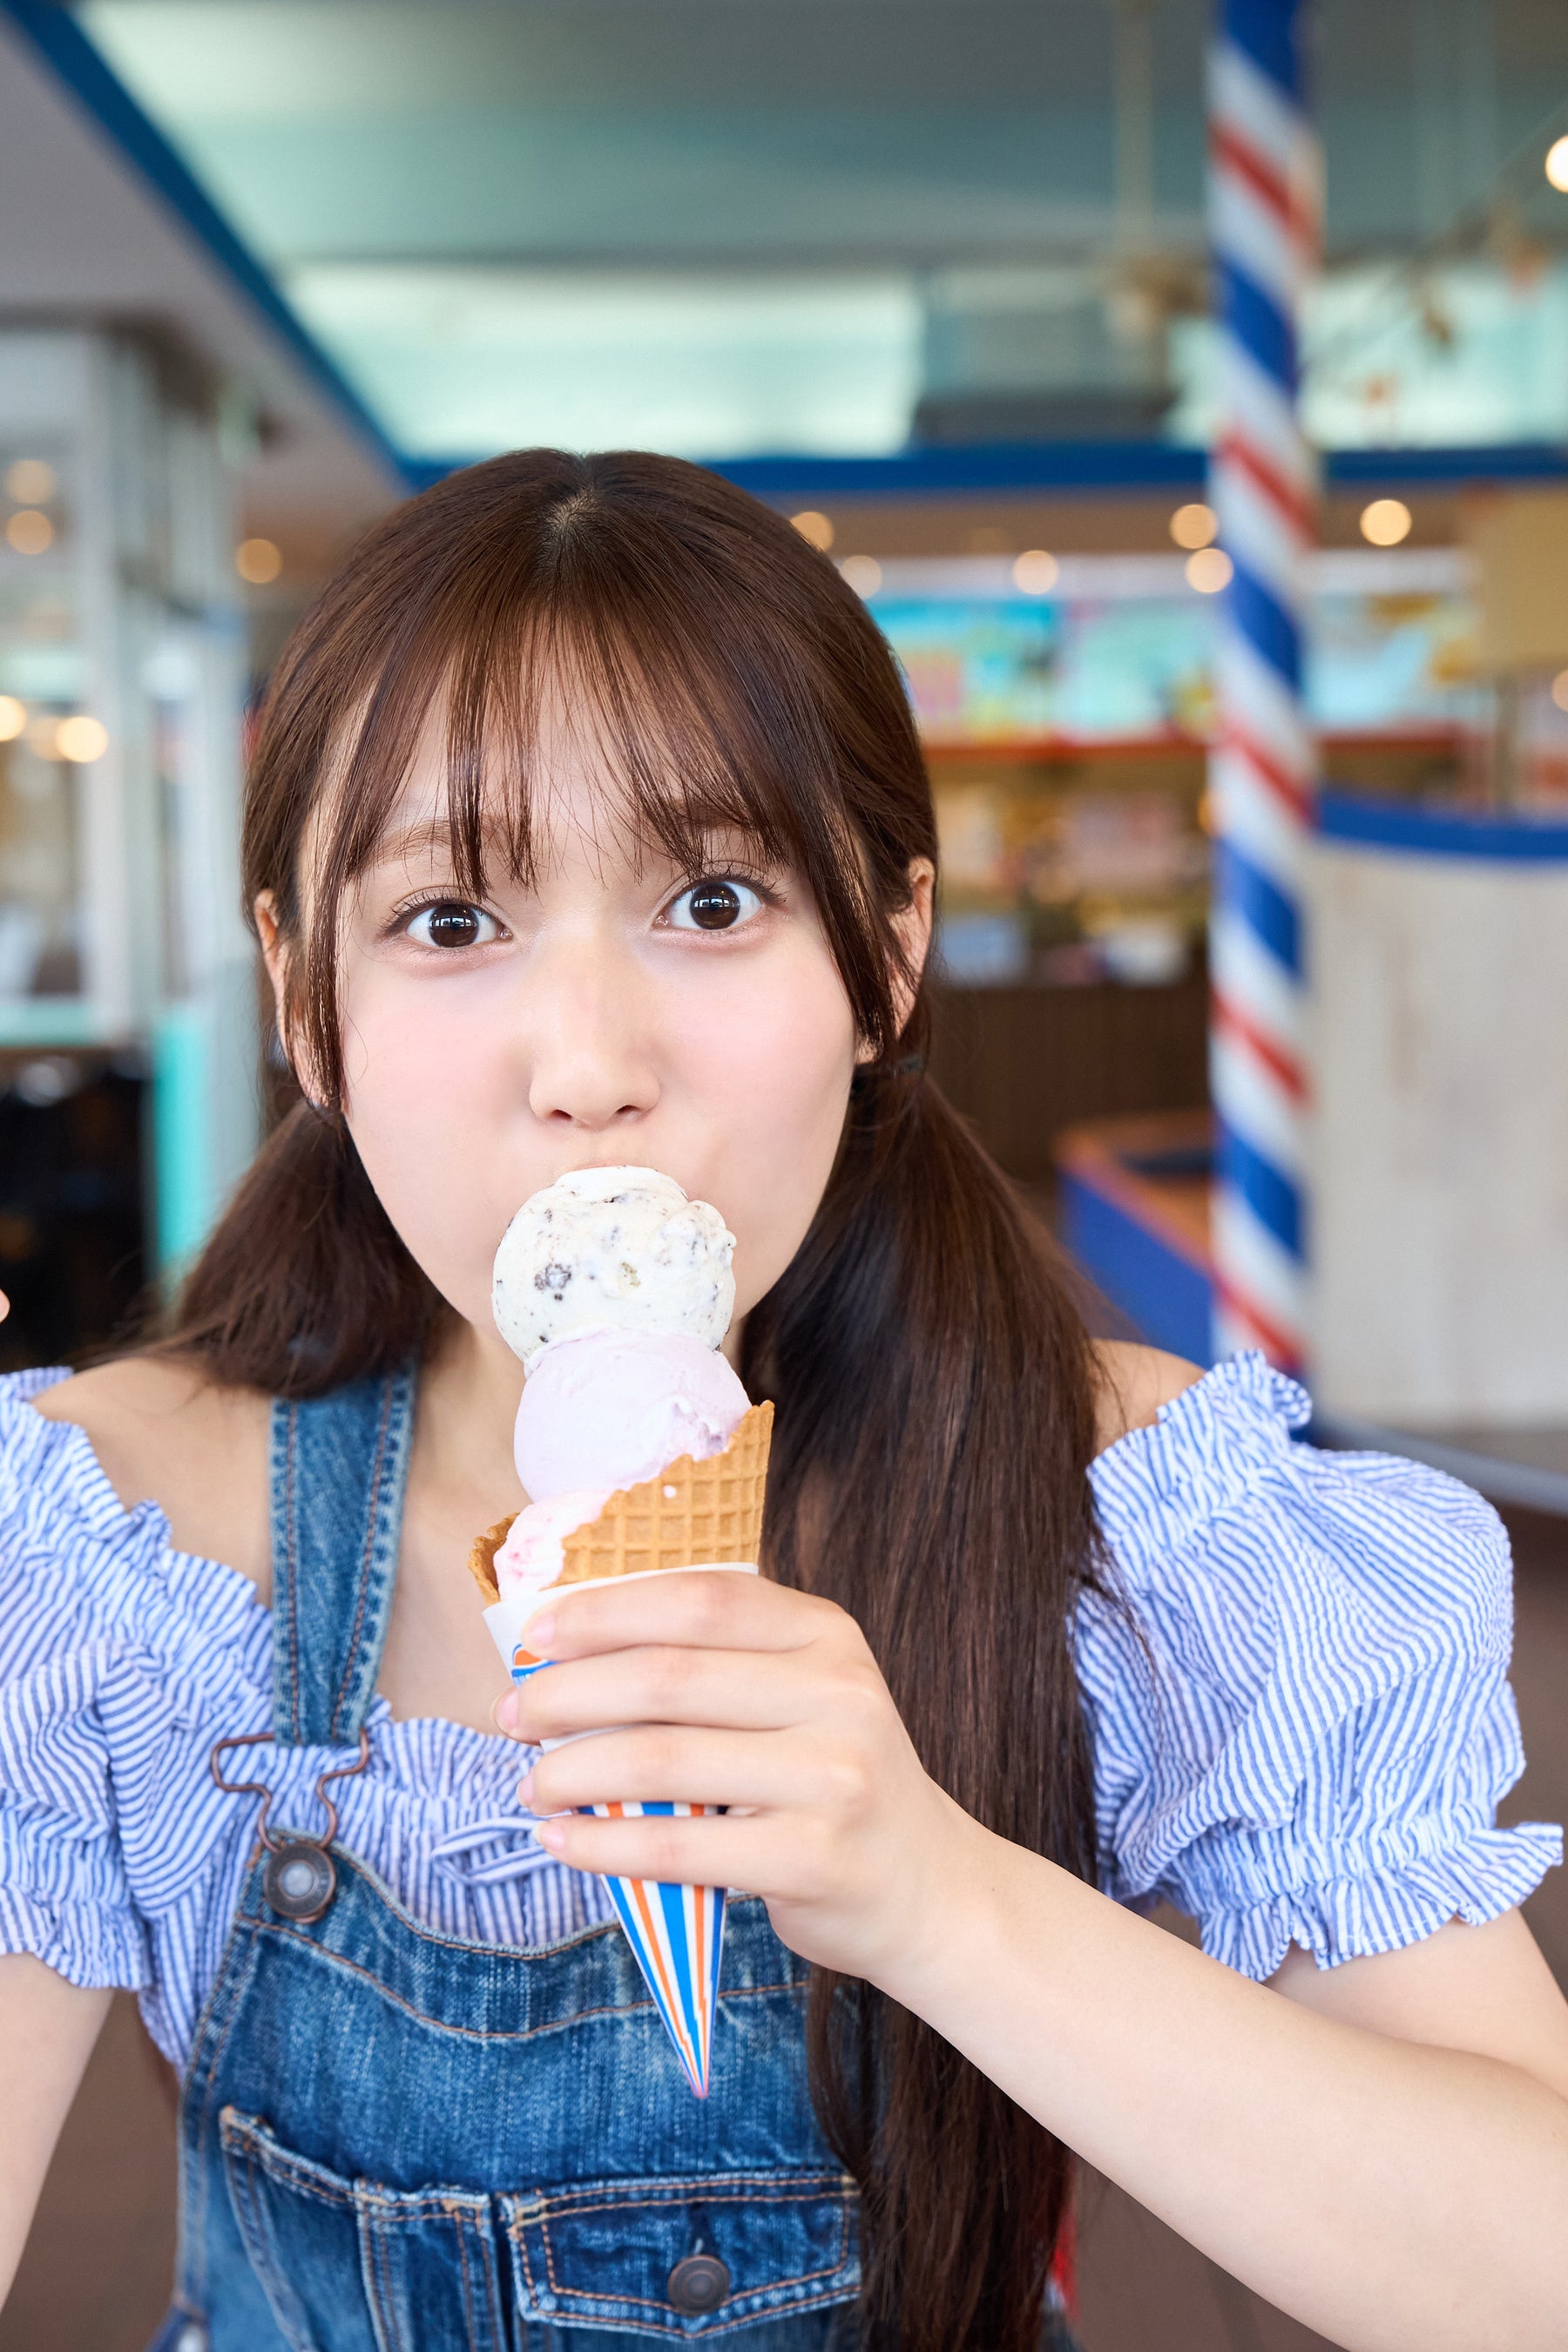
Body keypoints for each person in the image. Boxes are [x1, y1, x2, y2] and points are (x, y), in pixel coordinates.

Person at [1, 452, 1565, 2352]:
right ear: (300, 995)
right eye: (451, 922)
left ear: (887, 957)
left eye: (714, 897)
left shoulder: (1129, 1516)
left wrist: (941, 1900)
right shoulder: (103, 1561)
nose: (591, 1065)